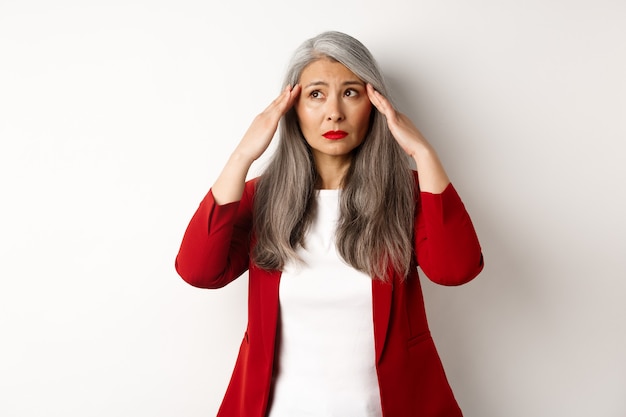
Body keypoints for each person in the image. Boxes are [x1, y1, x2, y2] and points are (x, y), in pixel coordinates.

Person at [175, 31, 484, 417]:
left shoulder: (407, 194)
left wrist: (423, 153)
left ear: (375, 103)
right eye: (316, 94)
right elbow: (198, 271)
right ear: (292, 107)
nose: (334, 112)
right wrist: (243, 155)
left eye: (351, 92)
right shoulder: (262, 198)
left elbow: (456, 269)